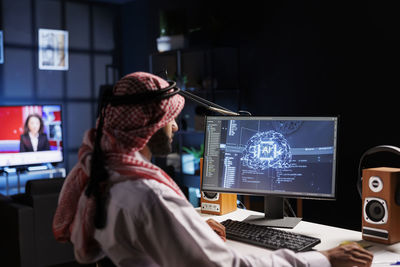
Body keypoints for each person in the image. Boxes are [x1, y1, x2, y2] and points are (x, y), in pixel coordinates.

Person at [52, 72, 373, 267]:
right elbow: (228, 265)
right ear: (148, 125)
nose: (175, 127)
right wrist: (324, 259)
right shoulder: (148, 194)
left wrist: (189, 228)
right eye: (169, 119)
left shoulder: (103, 172)